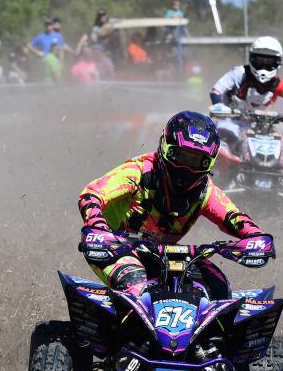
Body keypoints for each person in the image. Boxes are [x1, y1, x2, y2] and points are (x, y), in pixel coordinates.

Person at [77, 111, 272, 301]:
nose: (187, 168)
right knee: (135, 283)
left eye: (196, 160)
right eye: (181, 156)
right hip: (111, 247)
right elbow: (91, 194)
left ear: (209, 162)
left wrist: (256, 238)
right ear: (165, 147)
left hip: (162, 252)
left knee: (219, 288)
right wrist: (98, 228)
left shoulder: (205, 191)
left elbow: (234, 217)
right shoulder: (139, 171)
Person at [208, 36, 283, 145]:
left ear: (277, 63)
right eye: (260, 61)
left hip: (261, 128)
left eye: (269, 62)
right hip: (230, 122)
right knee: (226, 137)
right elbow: (216, 90)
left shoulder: (279, 84)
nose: (264, 66)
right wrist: (219, 105)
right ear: (252, 59)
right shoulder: (239, 73)